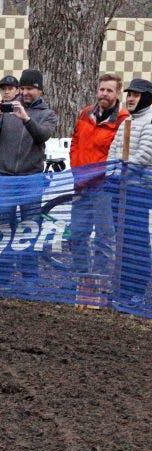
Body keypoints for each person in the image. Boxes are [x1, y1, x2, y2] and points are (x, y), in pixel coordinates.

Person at [0, 68, 58, 285]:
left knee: (29, 227)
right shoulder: (7, 112)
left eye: (30, 88)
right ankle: (3, 274)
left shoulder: (48, 114)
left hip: (30, 179)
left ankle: (30, 277)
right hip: (4, 177)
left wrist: (25, 118)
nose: (25, 92)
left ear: (40, 90)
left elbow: (42, 136)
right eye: (23, 88)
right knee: (4, 226)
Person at [69, 73, 129, 282]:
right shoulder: (86, 113)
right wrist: (76, 168)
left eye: (109, 90)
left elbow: (120, 153)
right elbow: (75, 141)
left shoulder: (123, 120)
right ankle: (82, 277)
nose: (104, 93)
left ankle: (101, 279)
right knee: (77, 234)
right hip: (81, 183)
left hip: (104, 187)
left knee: (104, 236)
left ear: (117, 93)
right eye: (102, 89)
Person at [107, 78, 152, 303]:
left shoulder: (150, 122)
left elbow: (144, 156)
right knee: (122, 240)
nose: (131, 98)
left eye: (136, 94)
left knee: (135, 241)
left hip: (138, 191)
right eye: (130, 94)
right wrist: (112, 173)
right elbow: (114, 150)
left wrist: (122, 174)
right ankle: (122, 288)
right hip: (120, 189)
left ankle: (136, 290)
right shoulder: (127, 122)